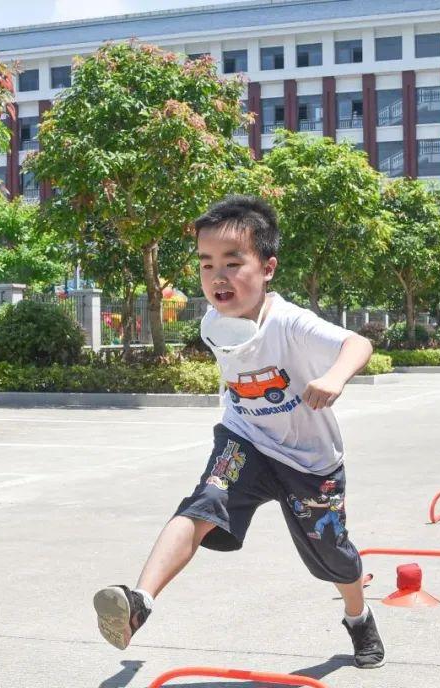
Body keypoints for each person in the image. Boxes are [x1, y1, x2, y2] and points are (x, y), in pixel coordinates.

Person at [92, 196, 385, 668]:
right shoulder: (213, 322)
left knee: (332, 554)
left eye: (233, 263)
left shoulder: (290, 322)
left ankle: (358, 616)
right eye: (207, 265)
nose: (217, 277)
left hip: (309, 461)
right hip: (244, 439)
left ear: (268, 268)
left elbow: (358, 342)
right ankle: (140, 601)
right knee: (204, 502)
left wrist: (334, 378)